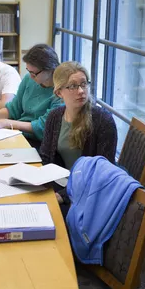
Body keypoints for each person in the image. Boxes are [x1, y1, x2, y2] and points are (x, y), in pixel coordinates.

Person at [39, 62, 117, 210]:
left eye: (83, 84)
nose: (81, 91)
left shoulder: (103, 120)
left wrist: (64, 196)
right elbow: (46, 158)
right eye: (73, 86)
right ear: (59, 92)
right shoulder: (55, 116)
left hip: (89, 195)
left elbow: (101, 175)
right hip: (61, 185)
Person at [0, 44, 62, 147]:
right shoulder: (29, 79)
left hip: (39, 142)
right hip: (17, 133)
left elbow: (43, 127)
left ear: (50, 69)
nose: (30, 76)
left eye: (34, 73)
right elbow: (13, 108)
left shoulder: (61, 92)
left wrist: (6, 123)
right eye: (28, 71)